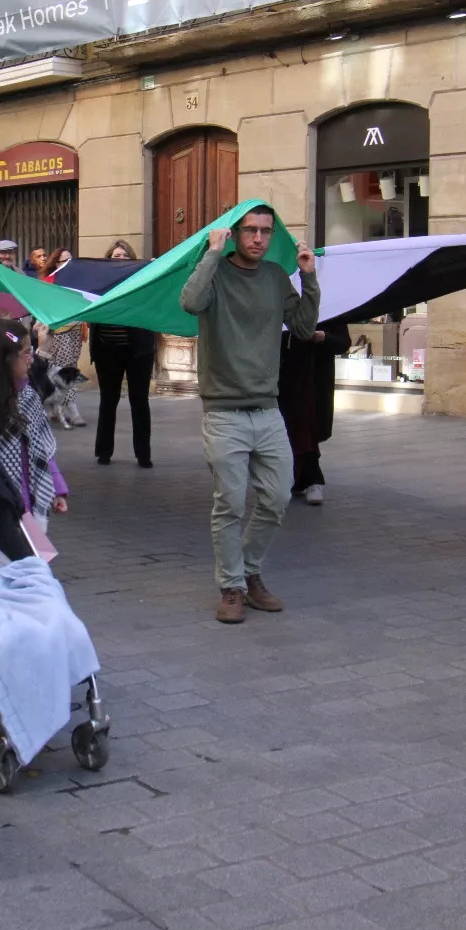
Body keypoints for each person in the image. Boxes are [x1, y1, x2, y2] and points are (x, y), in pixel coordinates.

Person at [181, 205, 319, 625]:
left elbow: (301, 327)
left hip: (267, 409)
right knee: (231, 504)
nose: (258, 238)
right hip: (223, 412)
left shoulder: (277, 277)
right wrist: (211, 252)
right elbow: (190, 302)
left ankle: (249, 570)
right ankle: (233, 587)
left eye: (265, 231)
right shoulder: (217, 273)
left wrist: (309, 276)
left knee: (277, 499)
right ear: (236, 233)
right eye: (250, 231)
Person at [0, 319, 69, 529]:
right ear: (3, 359)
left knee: (32, 555)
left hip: (30, 497)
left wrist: (57, 489)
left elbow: (44, 448)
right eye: (27, 353)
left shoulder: (28, 396)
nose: (31, 359)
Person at [89, 240, 156, 468]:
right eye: (115, 256)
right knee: (108, 400)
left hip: (139, 351)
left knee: (140, 401)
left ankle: (143, 455)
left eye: (124, 256)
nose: (119, 259)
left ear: (132, 259)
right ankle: (104, 452)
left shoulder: (142, 279)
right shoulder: (99, 282)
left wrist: (155, 270)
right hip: (107, 350)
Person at [279, 319, 352, 506]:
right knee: (287, 431)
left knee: (307, 428)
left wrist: (322, 337)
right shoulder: (285, 308)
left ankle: (312, 480)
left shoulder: (330, 312)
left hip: (313, 383)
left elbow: (343, 343)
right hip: (285, 382)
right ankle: (297, 479)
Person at [39, 248, 87, 430]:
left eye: (70, 260)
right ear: (55, 263)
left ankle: (61, 407)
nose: (67, 264)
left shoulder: (78, 283)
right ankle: (69, 408)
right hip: (59, 330)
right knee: (62, 369)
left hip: (75, 328)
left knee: (70, 367)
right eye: (63, 261)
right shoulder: (50, 282)